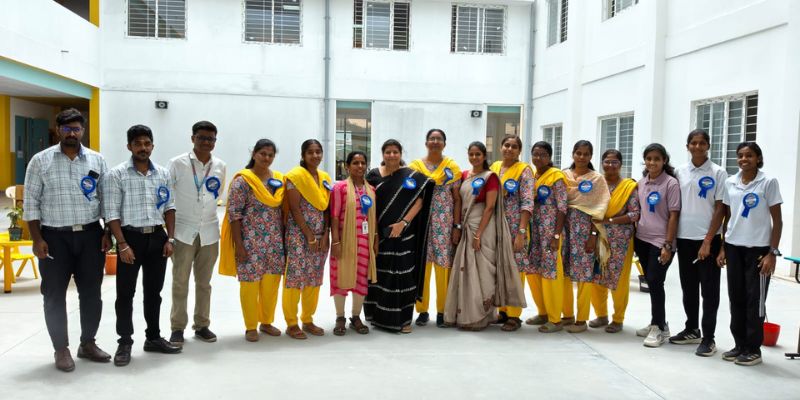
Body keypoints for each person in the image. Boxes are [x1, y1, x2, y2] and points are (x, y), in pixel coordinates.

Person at [23, 108, 112, 372]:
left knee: (92, 293)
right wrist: (36, 238)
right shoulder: (40, 161)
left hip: (90, 236)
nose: (71, 133)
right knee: (53, 295)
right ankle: (61, 349)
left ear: (83, 131)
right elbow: (31, 203)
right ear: (58, 130)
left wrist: (107, 232)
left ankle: (88, 343)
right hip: (54, 238)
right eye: (66, 129)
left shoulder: (97, 160)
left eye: (76, 129)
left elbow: (107, 200)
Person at [104, 125, 181, 366]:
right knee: (125, 294)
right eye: (137, 144)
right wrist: (122, 244)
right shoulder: (117, 174)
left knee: (154, 293)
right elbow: (111, 213)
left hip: (157, 238)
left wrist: (170, 239)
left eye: (147, 143)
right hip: (130, 239)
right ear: (129, 146)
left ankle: (153, 337)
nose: (143, 148)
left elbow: (169, 207)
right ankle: (125, 342)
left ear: (152, 146)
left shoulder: (163, 174)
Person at [444, 142, 526, 330]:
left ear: (484, 156)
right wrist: (458, 226)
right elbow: (458, 201)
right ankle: (466, 314)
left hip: (483, 228)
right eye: (471, 154)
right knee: (466, 271)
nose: (474, 158)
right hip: (466, 226)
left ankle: (482, 316)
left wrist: (478, 235)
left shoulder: (490, 177)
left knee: (483, 272)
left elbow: (489, 208)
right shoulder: (464, 175)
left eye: (478, 154)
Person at [717, 142, 783, 366]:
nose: (744, 159)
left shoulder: (768, 182)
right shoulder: (730, 182)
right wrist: (723, 247)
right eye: (741, 156)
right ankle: (740, 344)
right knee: (736, 297)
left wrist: (772, 253)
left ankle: (753, 349)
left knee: (755, 301)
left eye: (749, 155)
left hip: (759, 251)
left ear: (758, 158)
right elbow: (727, 217)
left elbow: (778, 221)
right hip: (734, 247)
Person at [219, 139, 286, 342]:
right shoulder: (243, 181)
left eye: (270, 155)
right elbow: (234, 215)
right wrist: (239, 245)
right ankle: (250, 326)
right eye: (263, 153)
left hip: (274, 242)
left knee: (271, 285)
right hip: (250, 242)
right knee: (249, 285)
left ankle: (266, 322)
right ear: (254, 153)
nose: (266, 158)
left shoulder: (278, 179)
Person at [364, 140, 434, 334]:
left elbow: (420, 200)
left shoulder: (411, 176)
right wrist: (374, 232)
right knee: (379, 275)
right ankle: (377, 317)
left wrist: (403, 223)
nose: (392, 155)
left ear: (400, 153)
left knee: (403, 276)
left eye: (395, 152)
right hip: (380, 234)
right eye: (388, 152)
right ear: (383, 154)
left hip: (404, 235)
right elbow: (366, 201)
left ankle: (403, 319)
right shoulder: (373, 175)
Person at [168, 121, 227, 346]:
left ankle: (202, 325)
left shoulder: (220, 165)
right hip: (183, 231)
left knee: (204, 283)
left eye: (211, 139)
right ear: (193, 138)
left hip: (210, 232)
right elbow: (167, 196)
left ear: (215, 141)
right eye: (201, 137)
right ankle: (177, 328)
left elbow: (217, 195)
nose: (206, 142)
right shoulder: (177, 163)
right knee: (180, 282)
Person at [672, 130, 727, 356]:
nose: (697, 146)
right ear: (687, 146)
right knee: (689, 288)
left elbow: (721, 209)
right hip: (684, 238)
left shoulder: (718, 172)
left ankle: (709, 338)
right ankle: (692, 329)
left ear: (708, 146)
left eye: (702, 143)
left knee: (710, 291)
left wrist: (708, 241)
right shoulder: (679, 171)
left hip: (708, 240)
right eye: (693, 143)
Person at [409, 129, 462, 328]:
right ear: (426, 143)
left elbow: (457, 199)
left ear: (444, 144)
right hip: (421, 223)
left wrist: (456, 226)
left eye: (439, 139)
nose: (435, 141)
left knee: (443, 268)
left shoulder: (452, 167)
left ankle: (442, 311)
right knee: (422, 266)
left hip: (444, 224)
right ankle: (422, 311)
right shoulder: (415, 167)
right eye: (432, 138)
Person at [282, 139, 332, 339]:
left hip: (320, 236)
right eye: (310, 152)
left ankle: (308, 319)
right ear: (303, 155)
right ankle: (291, 323)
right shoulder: (295, 177)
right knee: (295, 278)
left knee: (314, 277)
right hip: (298, 235)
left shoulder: (325, 177)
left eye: (318, 151)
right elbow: (295, 209)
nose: (315, 155)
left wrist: (325, 233)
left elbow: (326, 207)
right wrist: (309, 235)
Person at [634, 143, 680, 348]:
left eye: (657, 159)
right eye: (649, 158)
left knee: (655, 281)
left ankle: (658, 328)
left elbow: (674, 216)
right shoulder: (641, 183)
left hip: (661, 241)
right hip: (642, 239)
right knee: (651, 282)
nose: (652, 162)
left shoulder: (671, 183)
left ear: (664, 161)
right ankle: (659, 322)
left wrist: (667, 245)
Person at [561, 141, 610, 333]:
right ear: (573, 154)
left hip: (585, 232)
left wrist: (592, 235)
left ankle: (581, 320)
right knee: (564, 273)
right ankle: (567, 315)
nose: (581, 157)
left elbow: (599, 209)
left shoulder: (597, 179)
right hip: (564, 229)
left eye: (586, 154)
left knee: (584, 275)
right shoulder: (563, 175)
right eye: (578, 153)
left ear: (591, 156)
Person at [589, 149, 639, 333]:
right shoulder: (595, 183)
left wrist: (610, 220)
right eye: (607, 162)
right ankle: (601, 315)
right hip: (597, 236)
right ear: (602, 163)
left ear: (621, 164)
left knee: (618, 280)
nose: (610, 165)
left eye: (614, 162)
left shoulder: (628, 187)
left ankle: (618, 319)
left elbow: (635, 214)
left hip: (621, 241)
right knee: (597, 277)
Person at [330, 151, 378, 335]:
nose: (360, 166)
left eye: (363, 163)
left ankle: (356, 317)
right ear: (347, 166)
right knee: (340, 278)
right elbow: (334, 217)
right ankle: (340, 317)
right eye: (355, 163)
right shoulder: (340, 188)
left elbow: (374, 217)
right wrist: (336, 242)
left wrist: (375, 240)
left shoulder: (371, 190)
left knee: (361, 280)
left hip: (365, 241)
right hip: (344, 241)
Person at [491, 135, 535, 332]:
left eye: (514, 146)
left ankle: (514, 315)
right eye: (506, 145)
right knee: (499, 268)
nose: (509, 149)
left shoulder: (524, 170)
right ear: (501, 147)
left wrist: (521, 232)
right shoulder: (495, 167)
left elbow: (527, 202)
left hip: (516, 227)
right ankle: (502, 310)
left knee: (515, 270)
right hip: (495, 226)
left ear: (519, 151)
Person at [527, 141, 568, 333]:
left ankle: (555, 319)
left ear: (550, 157)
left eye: (543, 154)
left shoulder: (556, 176)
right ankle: (542, 312)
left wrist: (556, 235)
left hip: (550, 232)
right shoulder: (533, 176)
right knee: (534, 272)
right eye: (535, 154)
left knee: (551, 273)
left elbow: (562, 207)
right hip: (534, 231)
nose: (538, 158)